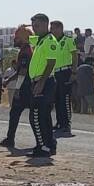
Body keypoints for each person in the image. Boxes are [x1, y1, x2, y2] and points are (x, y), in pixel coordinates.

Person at [27, 13, 60, 157]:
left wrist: (41, 82)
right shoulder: (40, 40)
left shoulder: (49, 41)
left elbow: (51, 63)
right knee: (43, 116)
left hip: (44, 81)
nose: (35, 28)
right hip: (39, 80)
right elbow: (26, 37)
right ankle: (49, 145)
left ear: (46, 24)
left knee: (36, 116)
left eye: (37, 25)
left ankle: (43, 146)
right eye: (33, 25)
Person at [0, 26, 33, 149]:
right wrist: (8, 80)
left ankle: (45, 143)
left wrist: (17, 88)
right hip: (28, 85)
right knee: (20, 113)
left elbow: (22, 71)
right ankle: (10, 139)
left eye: (16, 38)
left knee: (31, 115)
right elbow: (18, 71)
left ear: (23, 38)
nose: (14, 40)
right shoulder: (26, 49)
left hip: (26, 86)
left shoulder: (25, 51)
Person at [51, 20, 77, 135]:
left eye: (53, 28)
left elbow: (74, 55)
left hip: (65, 71)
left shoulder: (68, 40)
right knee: (57, 99)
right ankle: (59, 122)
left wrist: (74, 72)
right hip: (55, 72)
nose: (52, 30)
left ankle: (67, 124)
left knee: (65, 98)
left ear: (60, 29)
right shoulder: (51, 41)